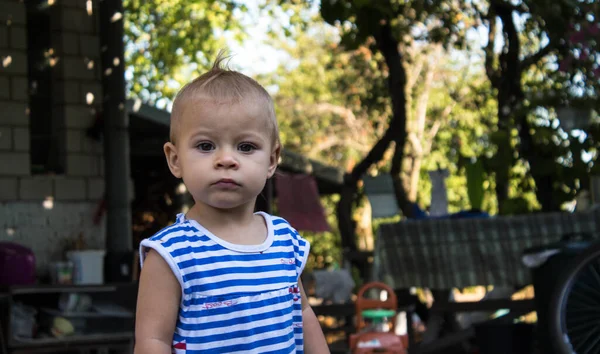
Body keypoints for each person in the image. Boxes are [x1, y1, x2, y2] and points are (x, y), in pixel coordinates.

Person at [134, 53, 330, 354]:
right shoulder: (172, 254)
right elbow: (152, 341)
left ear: (272, 160)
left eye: (246, 146)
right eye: (206, 146)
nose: (226, 159)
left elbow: (303, 315)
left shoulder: (284, 241)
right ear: (175, 159)